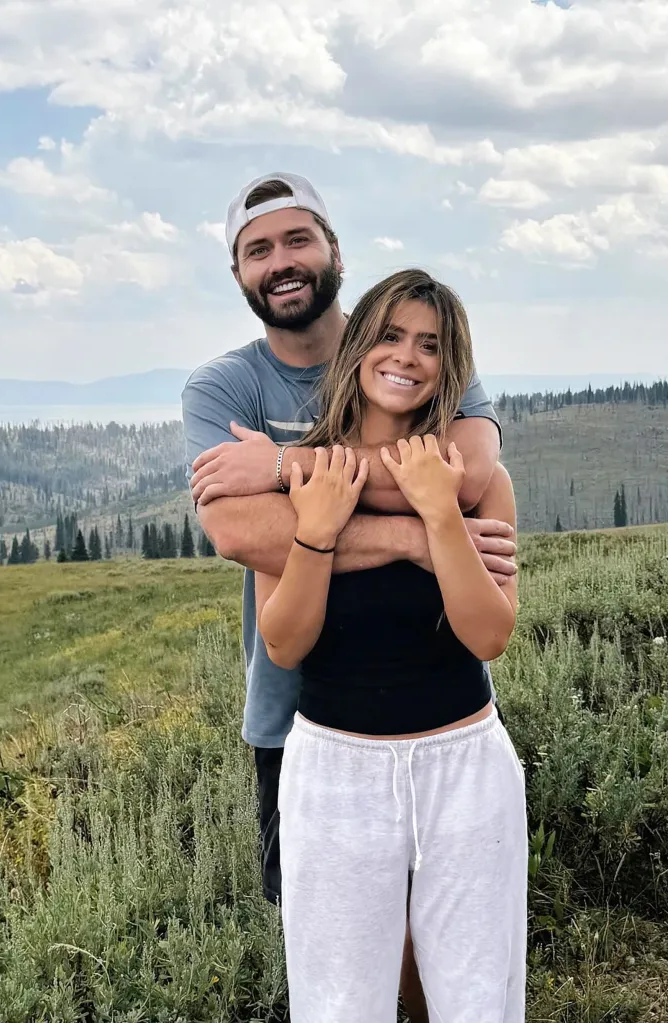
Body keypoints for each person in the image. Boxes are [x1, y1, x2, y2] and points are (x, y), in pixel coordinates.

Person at [181, 172, 517, 1020]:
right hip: (313, 736)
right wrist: (398, 529)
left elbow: (475, 486)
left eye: (299, 240)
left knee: (465, 980)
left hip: (456, 747)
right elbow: (244, 545)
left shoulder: (445, 429)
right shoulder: (223, 390)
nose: (407, 357)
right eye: (260, 247)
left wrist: (293, 470)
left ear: (335, 253)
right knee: (339, 976)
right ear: (238, 272)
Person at [256, 267, 527, 1023]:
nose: (407, 356)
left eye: (431, 345)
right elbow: (283, 644)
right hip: (335, 773)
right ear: (358, 346)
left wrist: (439, 515)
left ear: (451, 367)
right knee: (340, 1001)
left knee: (477, 997)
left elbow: (489, 634)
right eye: (390, 334)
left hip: (465, 768)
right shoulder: (300, 474)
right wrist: (315, 529)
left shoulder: (477, 484)